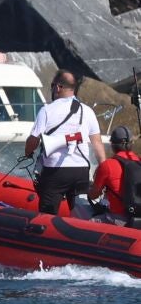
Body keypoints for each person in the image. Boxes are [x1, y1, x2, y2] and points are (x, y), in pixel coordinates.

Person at [24, 69, 106, 214]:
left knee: (47, 216)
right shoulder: (87, 111)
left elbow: (33, 140)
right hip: (81, 171)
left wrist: (28, 152)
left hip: (55, 171)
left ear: (58, 87)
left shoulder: (47, 110)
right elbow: (97, 143)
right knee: (83, 213)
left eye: (52, 85)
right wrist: (104, 168)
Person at [88, 126, 140, 226]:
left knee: (84, 218)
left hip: (118, 220)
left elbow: (94, 194)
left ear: (112, 145)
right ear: (131, 144)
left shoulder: (107, 165)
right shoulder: (139, 162)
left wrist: (88, 189)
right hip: (137, 218)